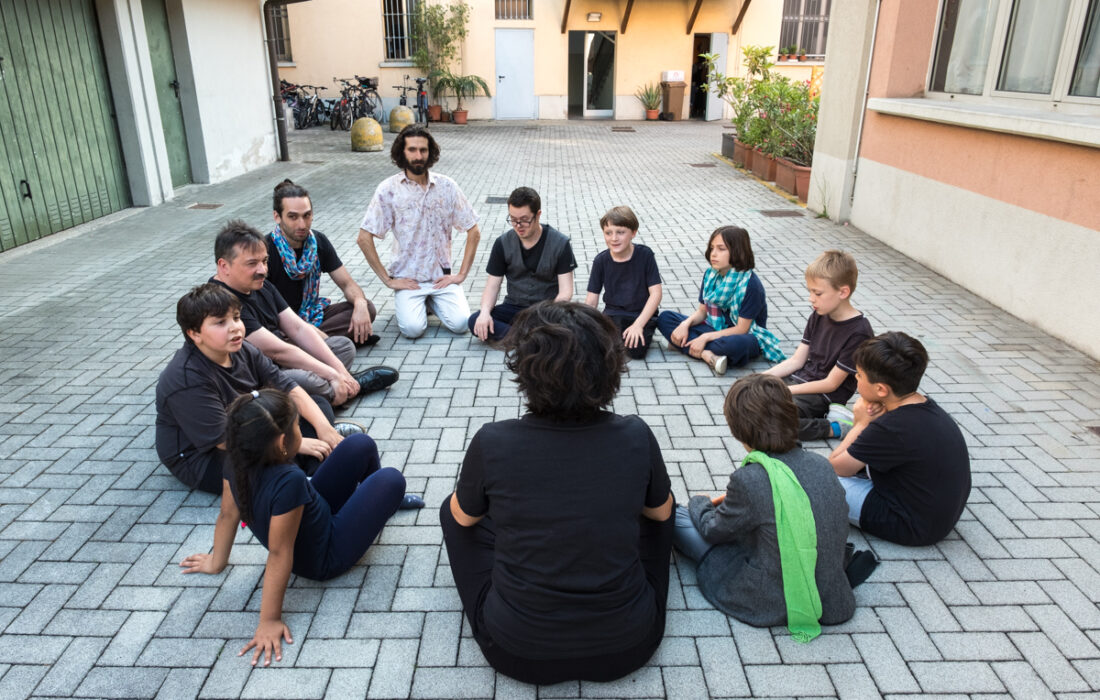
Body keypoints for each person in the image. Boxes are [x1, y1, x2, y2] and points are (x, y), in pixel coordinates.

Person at [441, 301, 675, 684]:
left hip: (518, 650)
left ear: (526, 369)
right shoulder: (635, 434)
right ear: (609, 369)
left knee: (453, 514)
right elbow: (661, 516)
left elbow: (465, 518)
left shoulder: (494, 441)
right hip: (628, 645)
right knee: (661, 512)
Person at [180, 389, 420, 666]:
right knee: (390, 479)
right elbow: (280, 553)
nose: (301, 431)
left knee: (360, 444)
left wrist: (216, 561)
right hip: (325, 556)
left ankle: (378, 506)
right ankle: (382, 502)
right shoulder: (288, 480)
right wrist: (269, 620)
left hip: (314, 514)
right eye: (297, 426)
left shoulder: (237, 460)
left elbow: (227, 514)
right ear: (283, 442)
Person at [673, 374, 855, 640]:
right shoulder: (821, 464)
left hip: (771, 597)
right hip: (832, 593)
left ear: (738, 430)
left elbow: (713, 531)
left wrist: (699, 501)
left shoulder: (749, 479)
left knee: (678, 517)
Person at [155, 284, 359, 493]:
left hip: (248, 424)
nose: (235, 327)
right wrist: (294, 445)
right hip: (204, 456)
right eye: (220, 322)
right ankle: (312, 475)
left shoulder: (243, 348)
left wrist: (324, 428)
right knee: (268, 468)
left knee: (317, 404)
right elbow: (224, 440)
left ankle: (315, 471)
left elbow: (289, 387)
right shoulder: (186, 378)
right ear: (194, 333)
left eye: (236, 317)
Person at [210, 220, 398, 407]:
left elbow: (298, 328)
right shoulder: (220, 302)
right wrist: (332, 373)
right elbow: (278, 351)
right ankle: (344, 390)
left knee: (343, 347)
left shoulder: (261, 284)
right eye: (252, 263)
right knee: (305, 379)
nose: (262, 270)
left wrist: (341, 371)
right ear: (224, 266)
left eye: (265, 261)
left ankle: (337, 389)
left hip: (282, 358)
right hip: (258, 377)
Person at [828, 332, 971, 546]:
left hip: (909, 525)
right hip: (937, 518)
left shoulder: (891, 427)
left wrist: (861, 423)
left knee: (819, 482)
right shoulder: (923, 406)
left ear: (881, 389)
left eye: (858, 375)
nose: (855, 379)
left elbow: (835, 467)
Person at [357, 125, 481, 339]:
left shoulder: (447, 186)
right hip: (408, 279)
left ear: (430, 153)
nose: (418, 156)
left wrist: (460, 275)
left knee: (462, 324)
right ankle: (418, 303)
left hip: (440, 278)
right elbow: (363, 238)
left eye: (423, 150)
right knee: (413, 330)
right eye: (412, 150)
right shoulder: (388, 190)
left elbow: (474, 230)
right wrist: (388, 280)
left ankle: (431, 302)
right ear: (402, 153)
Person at [763, 250, 874, 440]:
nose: (811, 298)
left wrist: (785, 391)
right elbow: (797, 361)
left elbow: (831, 384)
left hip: (824, 395)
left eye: (818, 293)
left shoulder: (859, 331)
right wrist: (760, 378)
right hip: (800, 381)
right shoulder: (818, 315)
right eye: (810, 292)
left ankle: (834, 427)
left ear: (843, 292)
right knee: (751, 402)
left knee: (775, 424)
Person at [656, 226, 785, 375]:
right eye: (712, 248)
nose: (713, 254)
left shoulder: (751, 285)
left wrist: (704, 337)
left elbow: (742, 329)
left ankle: (684, 345)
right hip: (715, 328)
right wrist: (685, 325)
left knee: (732, 346)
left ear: (738, 251)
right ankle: (706, 355)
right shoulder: (711, 275)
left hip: (746, 336)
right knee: (665, 318)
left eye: (721, 249)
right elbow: (702, 312)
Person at [265, 179, 380, 346]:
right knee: (272, 336)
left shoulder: (317, 241)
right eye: (292, 217)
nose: (302, 224)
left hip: (311, 315)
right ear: (277, 216)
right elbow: (263, 310)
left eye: (307, 215)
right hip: (281, 322)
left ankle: (313, 344)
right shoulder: (264, 250)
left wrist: (360, 304)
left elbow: (347, 284)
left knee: (366, 309)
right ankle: (328, 342)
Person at [469, 187, 577, 343]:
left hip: (546, 311)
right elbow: (492, 286)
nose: (518, 225)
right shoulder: (502, 243)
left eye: (525, 220)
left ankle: (517, 338)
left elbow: (565, 293)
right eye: (513, 219)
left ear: (538, 215)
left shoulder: (560, 243)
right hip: (514, 308)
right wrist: (485, 313)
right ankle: (533, 340)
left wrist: (547, 316)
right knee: (475, 321)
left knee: (569, 326)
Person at [584, 206, 663, 360]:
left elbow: (656, 294)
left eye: (620, 232)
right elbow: (592, 299)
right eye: (608, 233)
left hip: (641, 315)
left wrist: (639, 325)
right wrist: (583, 324)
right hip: (613, 314)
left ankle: (641, 332)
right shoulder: (601, 261)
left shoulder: (645, 255)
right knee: (596, 344)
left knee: (636, 351)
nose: (614, 238)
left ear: (633, 233)